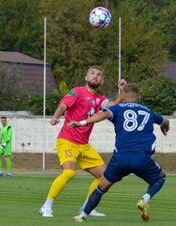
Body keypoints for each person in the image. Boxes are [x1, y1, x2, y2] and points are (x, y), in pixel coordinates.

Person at [68, 83, 170, 222]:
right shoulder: (148, 111)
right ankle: (144, 200)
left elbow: (102, 115)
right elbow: (165, 120)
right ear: (139, 97)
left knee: (101, 187)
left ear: (122, 96)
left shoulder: (117, 108)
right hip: (141, 157)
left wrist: (81, 123)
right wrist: (165, 126)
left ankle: (82, 215)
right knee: (161, 177)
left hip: (120, 158)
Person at [39, 66, 126, 217]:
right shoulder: (77, 91)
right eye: (92, 74)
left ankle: (87, 208)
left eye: (99, 75)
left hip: (84, 145)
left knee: (105, 177)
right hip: (67, 140)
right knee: (69, 172)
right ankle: (46, 206)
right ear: (86, 77)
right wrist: (55, 117)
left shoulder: (99, 99)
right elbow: (63, 105)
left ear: (102, 80)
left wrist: (121, 90)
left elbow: (114, 105)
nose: (95, 76)